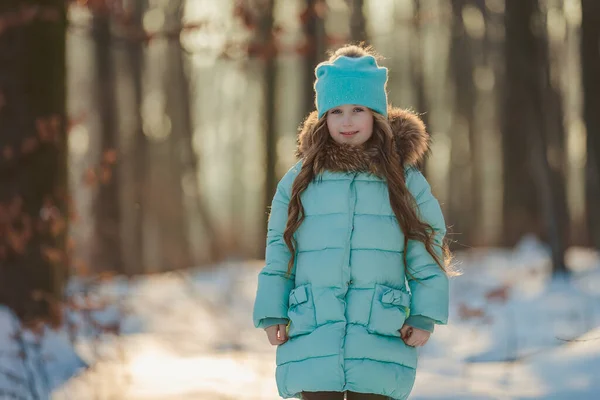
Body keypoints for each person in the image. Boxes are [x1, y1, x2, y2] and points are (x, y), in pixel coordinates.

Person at [252, 44, 453, 400]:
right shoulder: (300, 181)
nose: (346, 121)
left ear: (376, 114)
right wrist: (272, 311)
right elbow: (279, 249)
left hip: (380, 329)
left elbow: (426, 247)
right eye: (337, 111)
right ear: (323, 117)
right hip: (313, 328)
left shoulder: (403, 181)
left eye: (358, 109)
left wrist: (425, 314)